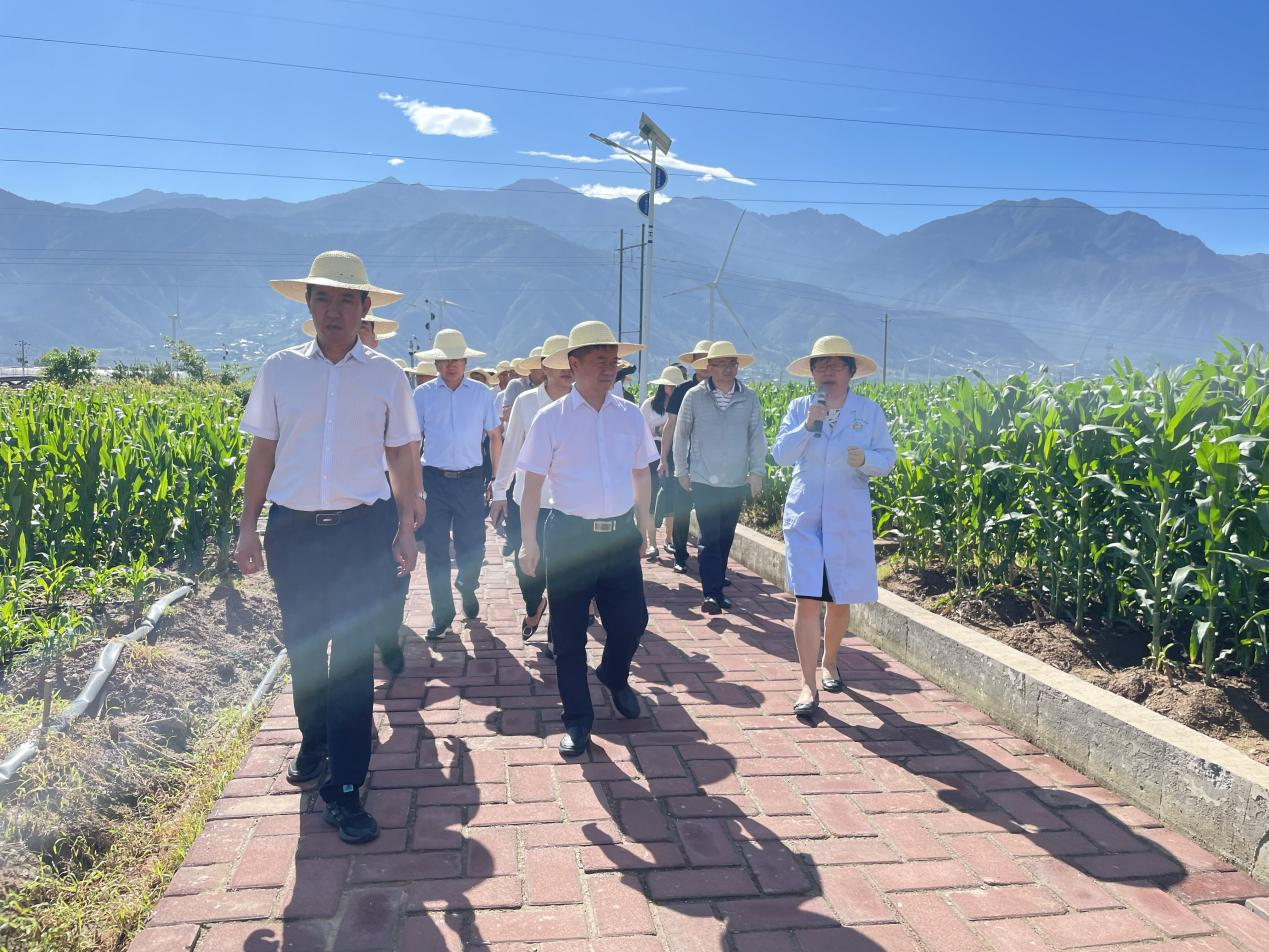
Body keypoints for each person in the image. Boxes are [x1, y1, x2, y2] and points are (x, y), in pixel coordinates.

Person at [234, 250, 424, 845]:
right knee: (303, 650)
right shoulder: (279, 370)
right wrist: (248, 526)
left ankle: (344, 785)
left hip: (361, 532)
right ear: (308, 305)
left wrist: (405, 527)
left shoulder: (387, 376)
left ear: (366, 308)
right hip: (293, 532)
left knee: (348, 661)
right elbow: (261, 451)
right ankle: (313, 737)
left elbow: (401, 454)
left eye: (347, 299)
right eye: (323, 298)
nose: (334, 310)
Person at [517, 321, 659, 758]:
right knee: (569, 632)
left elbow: (641, 472)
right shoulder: (550, 420)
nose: (609, 369)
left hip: (618, 535)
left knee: (633, 621)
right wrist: (528, 542)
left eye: (613, 361)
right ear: (573, 365)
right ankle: (577, 719)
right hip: (570, 536)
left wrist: (644, 524)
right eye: (599, 361)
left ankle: (614, 675)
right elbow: (532, 483)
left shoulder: (629, 415)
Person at [771, 335, 896, 718]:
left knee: (840, 598)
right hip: (806, 517)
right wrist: (808, 426)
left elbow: (887, 458)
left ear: (851, 372)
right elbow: (780, 455)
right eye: (820, 365)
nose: (827, 371)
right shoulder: (800, 409)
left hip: (846, 518)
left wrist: (866, 459)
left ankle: (830, 661)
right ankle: (808, 684)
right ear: (811, 373)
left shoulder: (869, 411)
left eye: (836, 364)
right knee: (807, 598)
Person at [304, 312, 411, 674]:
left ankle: (387, 636)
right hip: (338, 502)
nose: (358, 333)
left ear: (375, 339)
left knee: (393, 578)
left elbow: (406, 448)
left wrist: (414, 501)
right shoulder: (306, 375)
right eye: (357, 326)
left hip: (383, 496)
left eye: (366, 328)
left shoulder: (387, 377)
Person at [414, 329, 503, 641]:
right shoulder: (422, 395)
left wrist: (496, 478)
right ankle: (442, 614)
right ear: (436, 364)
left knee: (473, 545)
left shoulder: (481, 394)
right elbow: (415, 442)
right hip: (433, 481)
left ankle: (467, 583)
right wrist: (415, 487)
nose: (450, 365)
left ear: (465, 361)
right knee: (435, 549)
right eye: (444, 360)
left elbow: (494, 436)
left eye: (456, 359)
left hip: (469, 481)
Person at [488, 334, 572, 644]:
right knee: (526, 567)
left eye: (570, 362)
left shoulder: (584, 401)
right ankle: (534, 605)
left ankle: (556, 634)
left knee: (562, 571)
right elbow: (510, 450)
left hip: (568, 503)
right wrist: (500, 492)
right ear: (543, 367)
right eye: (557, 362)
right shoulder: (526, 402)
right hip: (530, 500)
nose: (566, 369)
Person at [672, 342, 767, 615]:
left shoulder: (748, 397)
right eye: (721, 364)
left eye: (732, 364)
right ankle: (711, 594)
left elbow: (756, 436)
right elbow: (681, 435)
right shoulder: (694, 396)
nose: (727, 369)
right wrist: (682, 470)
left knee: (725, 537)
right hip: (703, 478)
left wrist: (757, 471)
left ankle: (717, 589)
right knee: (709, 536)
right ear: (709, 367)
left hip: (736, 480)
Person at [658, 341, 713, 572]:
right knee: (681, 509)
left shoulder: (724, 390)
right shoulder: (682, 391)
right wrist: (663, 459)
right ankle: (680, 555)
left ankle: (711, 563)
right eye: (699, 359)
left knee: (710, 513)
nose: (704, 364)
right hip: (684, 461)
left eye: (708, 359)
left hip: (713, 463)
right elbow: (669, 426)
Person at [640, 365, 687, 560]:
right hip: (652, 455)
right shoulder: (649, 405)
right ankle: (652, 543)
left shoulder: (685, 404)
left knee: (671, 498)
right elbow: (641, 431)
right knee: (651, 501)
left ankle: (669, 539)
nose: (672, 390)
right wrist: (660, 432)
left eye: (676, 386)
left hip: (674, 454)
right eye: (669, 386)